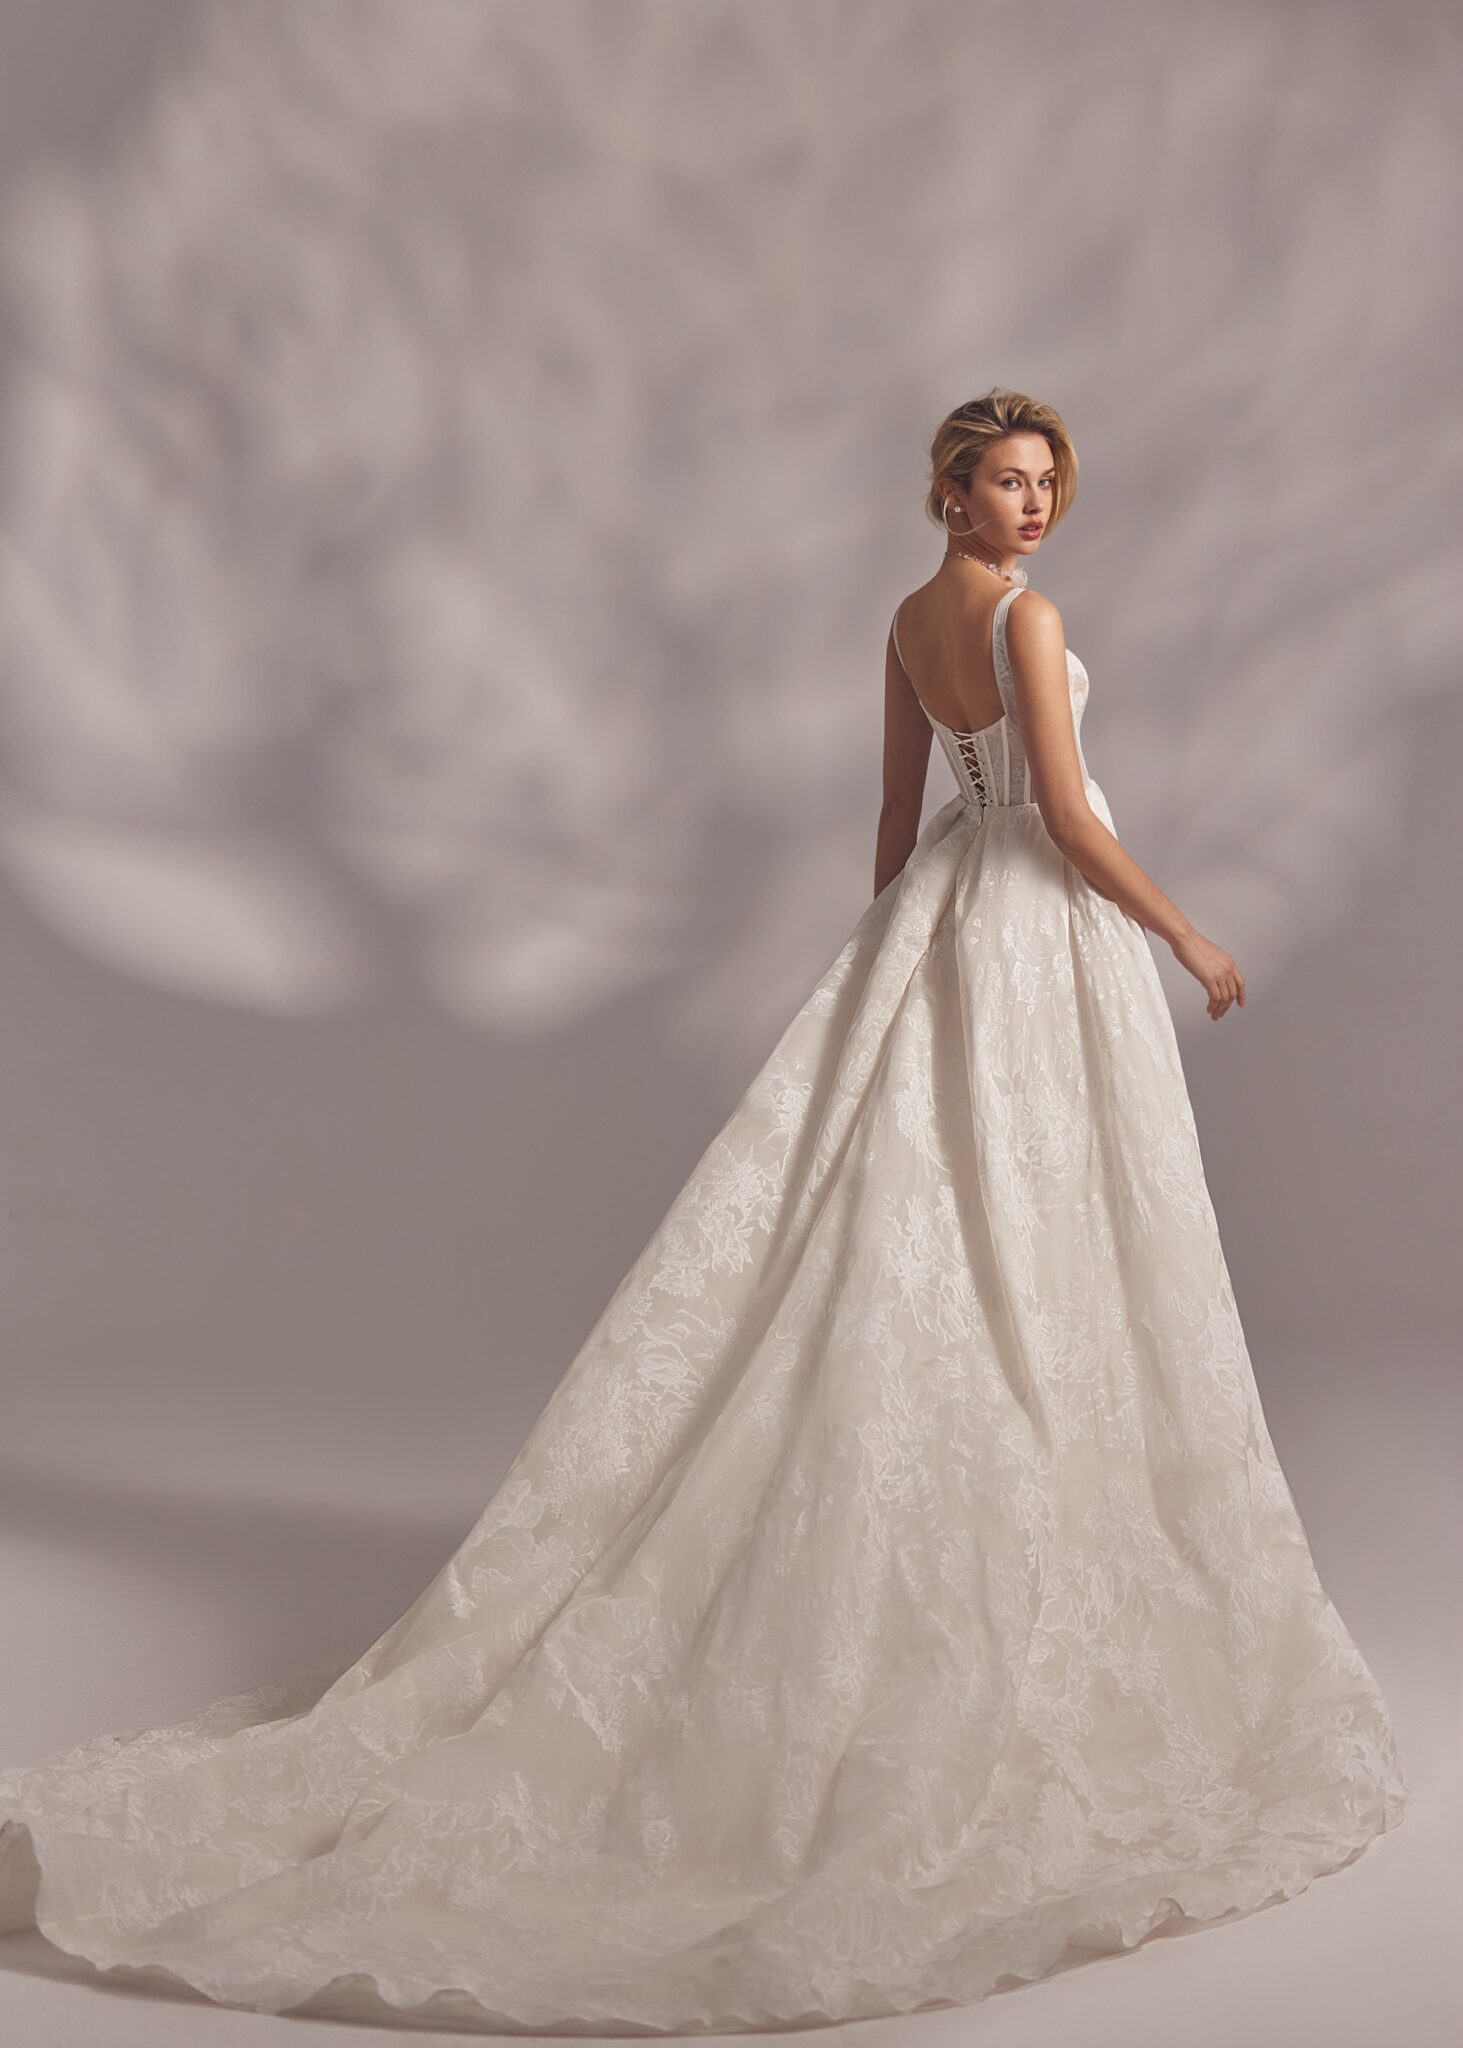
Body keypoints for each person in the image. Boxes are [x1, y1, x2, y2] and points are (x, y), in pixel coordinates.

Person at [0, 389, 1409, 2033]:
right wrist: (1189, 934)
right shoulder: (1023, 623)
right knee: (1031, 1225)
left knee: (955, 1225)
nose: (1032, 506)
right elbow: (1072, 819)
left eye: (1045, 483)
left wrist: (890, 967)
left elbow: (898, 824)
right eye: (1004, 482)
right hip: (1035, 926)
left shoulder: (908, 622)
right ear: (949, 492)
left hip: (949, 918)